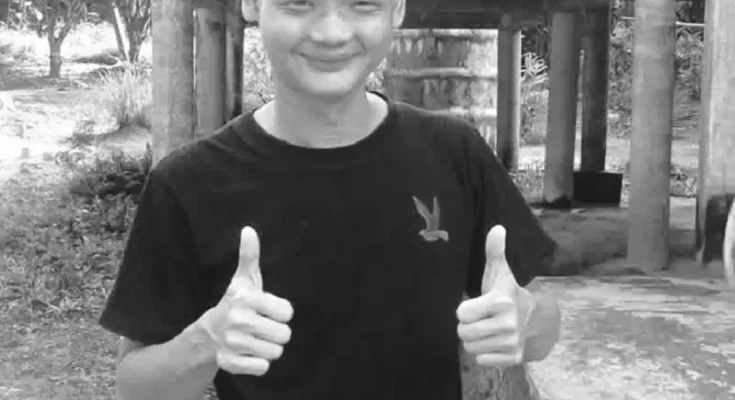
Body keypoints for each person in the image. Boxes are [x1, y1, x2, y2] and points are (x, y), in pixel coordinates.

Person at [98, 0, 562, 399]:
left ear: (397, 8)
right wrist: (208, 342)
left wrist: (524, 321)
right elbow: (134, 386)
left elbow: (544, 323)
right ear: (252, 3)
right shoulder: (187, 185)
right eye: (300, 2)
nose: (331, 33)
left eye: (362, 3)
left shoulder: (454, 154)